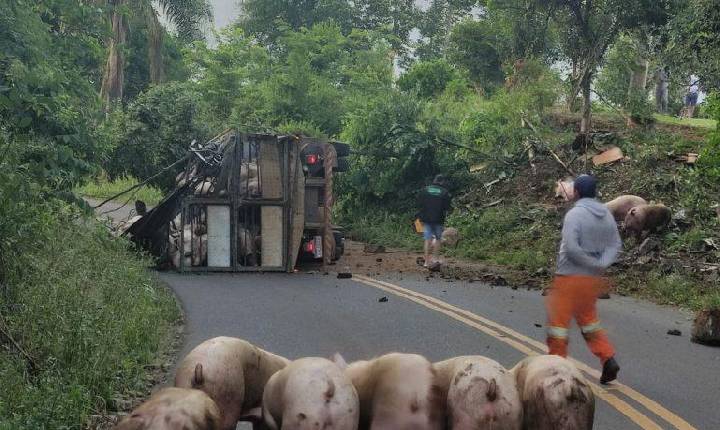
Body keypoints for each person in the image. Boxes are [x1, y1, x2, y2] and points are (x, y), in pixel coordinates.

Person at [546, 174, 622, 384]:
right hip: (592, 280)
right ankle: (608, 358)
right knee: (589, 322)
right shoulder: (606, 214)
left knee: (558, 325)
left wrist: (587, 262)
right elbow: (615, 244)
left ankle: (557, 369)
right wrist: (600, 264)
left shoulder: (575, 215)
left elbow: (571, 248)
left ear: (577, 192)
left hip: (569, 277)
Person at [418, 174, 451, 268]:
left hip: (426, 218)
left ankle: (426, 262)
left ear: (434, 180)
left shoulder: (425, 190)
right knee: (438, 239)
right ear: (442, 182)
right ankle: (435, 259)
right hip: (438, 219)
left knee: (427, 239)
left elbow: (420, 203)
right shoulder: (444, 192)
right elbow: (447, 207)